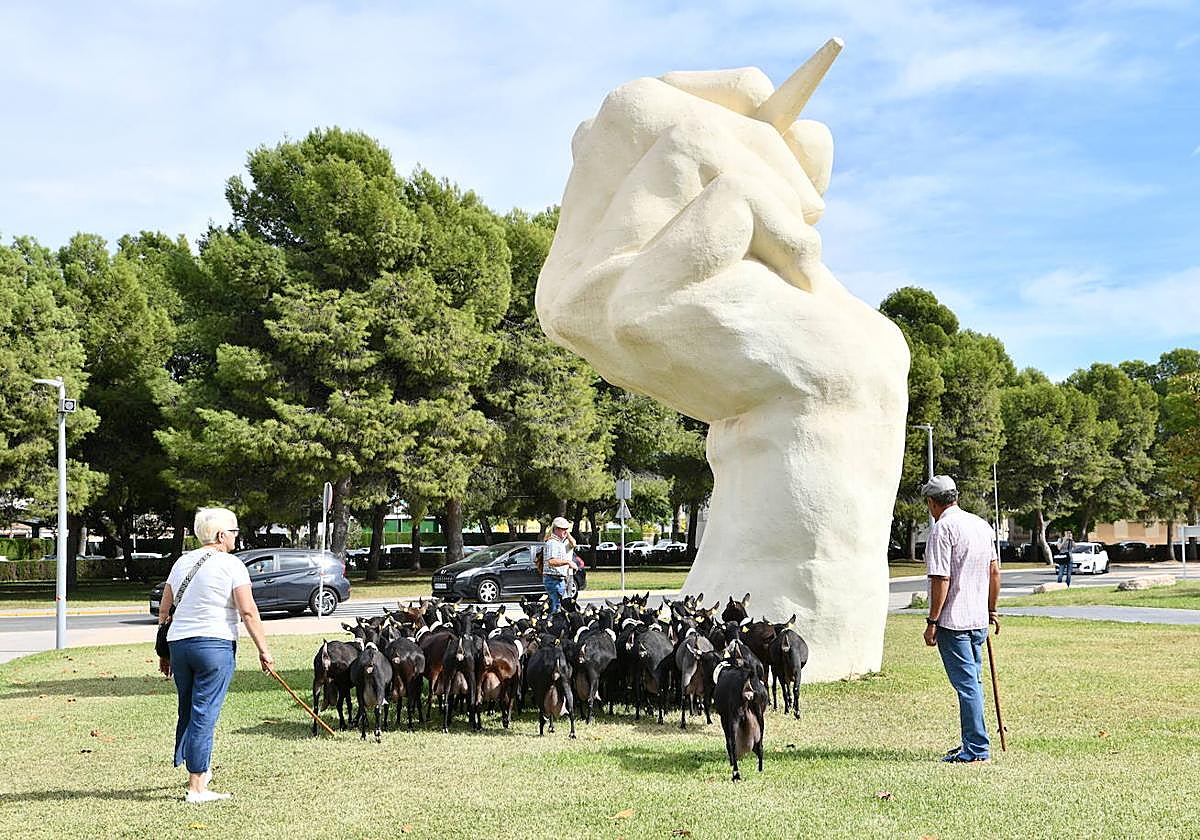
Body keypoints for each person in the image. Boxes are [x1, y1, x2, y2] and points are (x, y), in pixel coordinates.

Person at [158, 507, 274, 803]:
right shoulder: (231, 564)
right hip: (214, 645)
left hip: (180, 645)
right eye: (234, 532)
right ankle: (197, 785)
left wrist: (164, 652)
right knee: (205, 713)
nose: (236, 538)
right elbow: (247, 611)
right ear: (221, 535)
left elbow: (165, 610)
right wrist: (264, 649)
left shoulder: (182, 562)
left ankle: (199, 767)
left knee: (190, 708)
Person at [920, 475, 1001, 764]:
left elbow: (941, 579)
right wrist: (991, 610)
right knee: (973, 685)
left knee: (967, 687)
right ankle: (972, 741)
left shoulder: (943, 530)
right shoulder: (980, 525)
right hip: (977, 619)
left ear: (932, 502)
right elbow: (994, 572)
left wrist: (932, 621)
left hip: (953, 622)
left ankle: (977, 749)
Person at [542, 516, 575, 614]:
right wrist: (568, 562)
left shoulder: (558, 542)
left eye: (567, 529)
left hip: (557, 580)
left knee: (562, 607)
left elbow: (573, 543)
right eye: (563, 529)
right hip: (554, 580)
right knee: (556, 609)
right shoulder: (553, 543)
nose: (566, 532)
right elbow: (551, 561)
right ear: (556, 529)